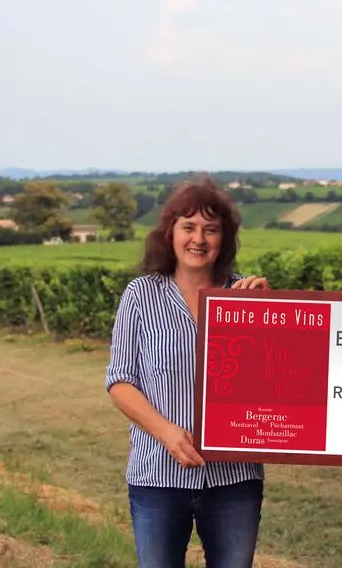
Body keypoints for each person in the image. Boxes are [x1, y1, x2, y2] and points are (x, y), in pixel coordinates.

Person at [104, 175, 271, 568]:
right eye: (189, 227)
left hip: (235, 479)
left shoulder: (245, 296)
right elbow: (120, 382)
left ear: (224, 239)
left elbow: (274, 383)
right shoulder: (141, 295)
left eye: (211, 229)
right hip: (157, 476)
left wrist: (269, 316)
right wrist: (168, 433)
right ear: (170, 233)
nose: (199, 238)